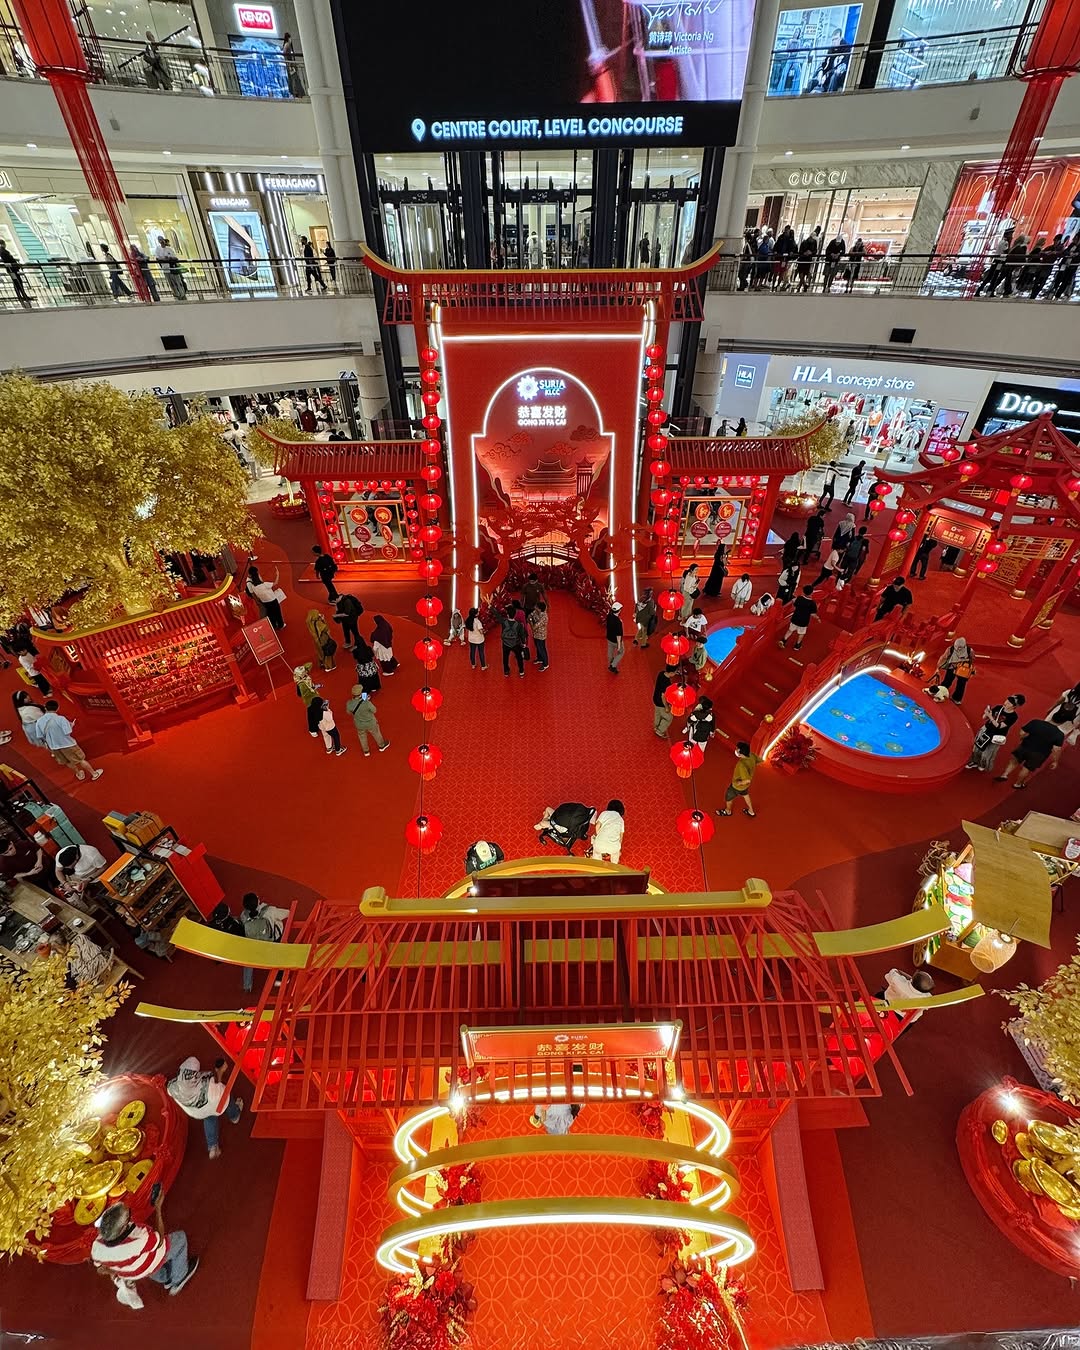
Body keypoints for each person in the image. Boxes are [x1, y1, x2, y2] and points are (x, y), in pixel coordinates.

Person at [91, 1192, 198, 1305]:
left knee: (148, 1267)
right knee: (180, 1239)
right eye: (128, 1216)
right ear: (122, 1229)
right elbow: (159, 1240)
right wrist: (158, 1209)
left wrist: (120, 1269)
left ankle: (165, 1278)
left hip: (133, 1272)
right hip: (148, 1260)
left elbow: (101, 1269)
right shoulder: (138, 1239)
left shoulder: (97, 1248)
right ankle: (179, 1278)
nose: (129, 1217)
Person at [167, 1056, 244, 1159]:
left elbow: (170, 1092)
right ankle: (235, 1116)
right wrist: (220, 1071)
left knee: (209, 1118)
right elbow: (220, 1088)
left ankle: (213, 1146)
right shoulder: (205, 1081)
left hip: (196, 1111)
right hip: (215, 1100)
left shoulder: (172, 1087)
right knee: (227, 1098)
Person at [994, 709, 1069, 788]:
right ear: (1062, 723)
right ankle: (1017, 784)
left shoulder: (1036, 722)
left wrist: (1022, 738)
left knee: (1014, 761)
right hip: (1039, 754)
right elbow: (1056, 749)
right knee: (1026, 768)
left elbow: (1022, 732)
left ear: (1052, 716)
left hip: (1025, 746)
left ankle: (1004, 775)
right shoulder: (1059, 734)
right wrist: (1055, 761)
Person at [36, 701, 102, 781]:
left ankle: (79, 774)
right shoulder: (60, 719)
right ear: (57, 708)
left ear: (45, 707)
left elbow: (40, 736)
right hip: (67, 744)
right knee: (80, 760)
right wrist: (71, 725)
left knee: (67, 761)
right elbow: (67, 732)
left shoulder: (39, 721)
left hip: (53, 747)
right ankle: (94, 773)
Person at [966, 694, 1025, 772]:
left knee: (988, 751)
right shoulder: (998, 707)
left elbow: (999, 726)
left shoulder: (1013, 717)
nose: (1006, 703)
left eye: (1010, 702)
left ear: (1015, 706)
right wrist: (986, 713)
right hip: (986, 730)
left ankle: (983, 764)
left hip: (996, 735)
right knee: (978, 747)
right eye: (1007, 700)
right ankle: (974, 761)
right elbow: (984, 717)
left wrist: (990, 716)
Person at [718, 741, 761, 818]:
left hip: (737, 787)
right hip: (745, 786)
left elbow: (747, 780)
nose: (736, 750)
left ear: (741, 754)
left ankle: (728, 811)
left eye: (737, 750)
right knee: (745, 795)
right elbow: (759, 761)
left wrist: (739, 783)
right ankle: (751, 811)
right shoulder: (752, 755)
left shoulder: (741, 765)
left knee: (728, 797)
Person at [345, 687, 389, 755]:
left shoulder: (349, 703)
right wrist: (367, 701)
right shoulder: (366, 703)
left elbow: (349, 712)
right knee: (376, 733)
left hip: (359, 724)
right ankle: (381, 745)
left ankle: (366, 751)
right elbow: (374, 710)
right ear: (360, 694)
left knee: (362, 736)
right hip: (370, 723)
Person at [932, 636, 975, 704]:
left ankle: (956, 698)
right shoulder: (950, 649)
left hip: (962, 670)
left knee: (960, 684)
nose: (958, 648)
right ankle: (940, 692)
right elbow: (944, 657)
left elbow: (972, 660)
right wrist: (938, 667)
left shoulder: (969, 650)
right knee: (948, 681)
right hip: (953, 668)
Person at [246, 565, 285, 630]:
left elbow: (253, 593)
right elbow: (276, 583)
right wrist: (278, 574)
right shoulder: (265, 585)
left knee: (270, 614)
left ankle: (273, 625)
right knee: (277, 613)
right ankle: (281, 625)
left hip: (265, 601)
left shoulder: (253, 586)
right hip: (273, 600)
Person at [780, 586, 818, 650]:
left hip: (795, 618)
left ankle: (783, 640)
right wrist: (817, 618)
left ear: (803, 592)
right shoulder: (812, 603)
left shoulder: (799, 598)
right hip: (804, 621)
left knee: (790, 630)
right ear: (811, 593)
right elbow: (813, 614)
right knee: (801, 633)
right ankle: (797, 645)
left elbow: (794, 602)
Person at [588, 799, 625, 864]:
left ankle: (597, 862)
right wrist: (618, 848)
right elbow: (621, 837)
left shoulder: (604, 813)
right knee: (615, 853)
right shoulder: (621, 819)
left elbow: (597, 826)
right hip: (613, 847)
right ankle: (614, 863)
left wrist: (598, 835)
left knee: (596, 852)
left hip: (599, 845)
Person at [154, 236, 187, 300]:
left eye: (162, 240)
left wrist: (169, 258)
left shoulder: (169, 249)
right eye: (160, 240)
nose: (161, 242)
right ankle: (176, 294)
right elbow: (157, 258)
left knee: (178, 281)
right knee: (171, 283)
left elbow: (175, 257)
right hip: (165, 268)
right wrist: (163, 259)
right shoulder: (158, 249)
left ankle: (182, 294)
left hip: (172, 268)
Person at [306, 608, 337, 673]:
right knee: (327, 652)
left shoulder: (309, 622)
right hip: (323, 639)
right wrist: (323, 620)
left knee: (320, 652)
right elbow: (326, 628)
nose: (319, 614)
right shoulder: (318, 623)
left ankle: (322, 663)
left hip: (316, 640)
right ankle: (329, 666)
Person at [498, 606, 526, 678]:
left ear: (507, 614)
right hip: (516, 644)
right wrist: (523, 643)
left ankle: (506, 671)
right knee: (519, 657)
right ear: (515, 614)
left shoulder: (504, 622)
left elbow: (497, 615)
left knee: (505, 657)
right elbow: (522, 635)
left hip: (505, 644)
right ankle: (521, 671)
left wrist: (490, 607)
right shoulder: (519, 625)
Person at [0, 241, 31, 306]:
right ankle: (21, 296)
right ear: (2, 244)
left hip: (12, 269)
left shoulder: (3, 251)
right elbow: (8, 259)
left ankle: (22, 296)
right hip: (12, 269)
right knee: (17, 282)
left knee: (17, 282)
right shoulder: (3, 251)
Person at [653, 667, 675, 738]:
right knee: (669, 718)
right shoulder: (667, 683)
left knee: (658, 713)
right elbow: (663, 696)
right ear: (671, 673)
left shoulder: (661, 673)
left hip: (655, 698)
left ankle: (656, 726)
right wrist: (667, 707)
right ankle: (660, 731)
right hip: (661, 702)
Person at [282, 31, 305, 97]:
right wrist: (292, 64)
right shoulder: (288, 45)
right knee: (295, 78)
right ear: (289, 38)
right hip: (290, 65)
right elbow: (288, 56)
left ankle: (294, 92)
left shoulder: (285, 45)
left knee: (292, 78)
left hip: (288, 65)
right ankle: (297, 92)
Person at [529, 601, 550, 670]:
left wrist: (531, 622)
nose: (535, 608)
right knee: (537, 647)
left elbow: (534, 626)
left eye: (536, 607)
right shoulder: (535, 612)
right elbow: (530, 616)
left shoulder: (544, 617)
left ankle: (545, 664)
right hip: (535, 634)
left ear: (540, 609)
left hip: (541, 635)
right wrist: (531, 621)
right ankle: (539, 659)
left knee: (542, 649)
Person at [605, 600, 625, 673]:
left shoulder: (609, 616)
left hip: (609, 638)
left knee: (610, 652)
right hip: (616, 641)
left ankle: (610, 662)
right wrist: (619, 645)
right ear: (619, 611)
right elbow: (619, 635)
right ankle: (613, 665)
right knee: (621, 652)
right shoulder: (618, 622)